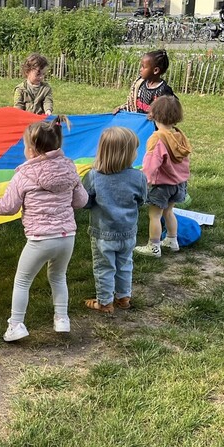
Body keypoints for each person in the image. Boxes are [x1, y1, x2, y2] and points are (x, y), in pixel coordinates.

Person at [0, 116, 88, 341]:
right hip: (67, 237)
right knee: (58, 276)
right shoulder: (69, 169)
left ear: (32, 150)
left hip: (39, 239)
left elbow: (8, 207)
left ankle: (16, 324)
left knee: (23, 281)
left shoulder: (24, 175)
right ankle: (62, 319)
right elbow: (81, 201)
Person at [83, 127, 147, 314]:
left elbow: (85, 202)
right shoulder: (139, 177)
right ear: (128, 154)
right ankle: (123, 297)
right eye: (135, 150)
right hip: (128, 232)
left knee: (104, 267)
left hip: (103, 234)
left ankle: (104, 302)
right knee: (125, 264)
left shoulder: (93, 176)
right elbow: (142, 200)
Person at [135, 96, 191, 258]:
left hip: (161, 186)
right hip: (179, 183)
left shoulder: (156, 138)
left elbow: (152, 163)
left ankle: (154, 247)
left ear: (154, 114)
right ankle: (172, 241)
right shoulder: (180, 136)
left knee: (155, 215)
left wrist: (146, 181)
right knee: (169, 212)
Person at [114, 49, 175, 114]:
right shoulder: (140, 84)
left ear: (155, 70)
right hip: (138, 122)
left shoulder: (164, 91)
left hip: (153, 123)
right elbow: (132, 104)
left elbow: (169, 113)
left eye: (143, 67)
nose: (140, 69)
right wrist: (122, 108)